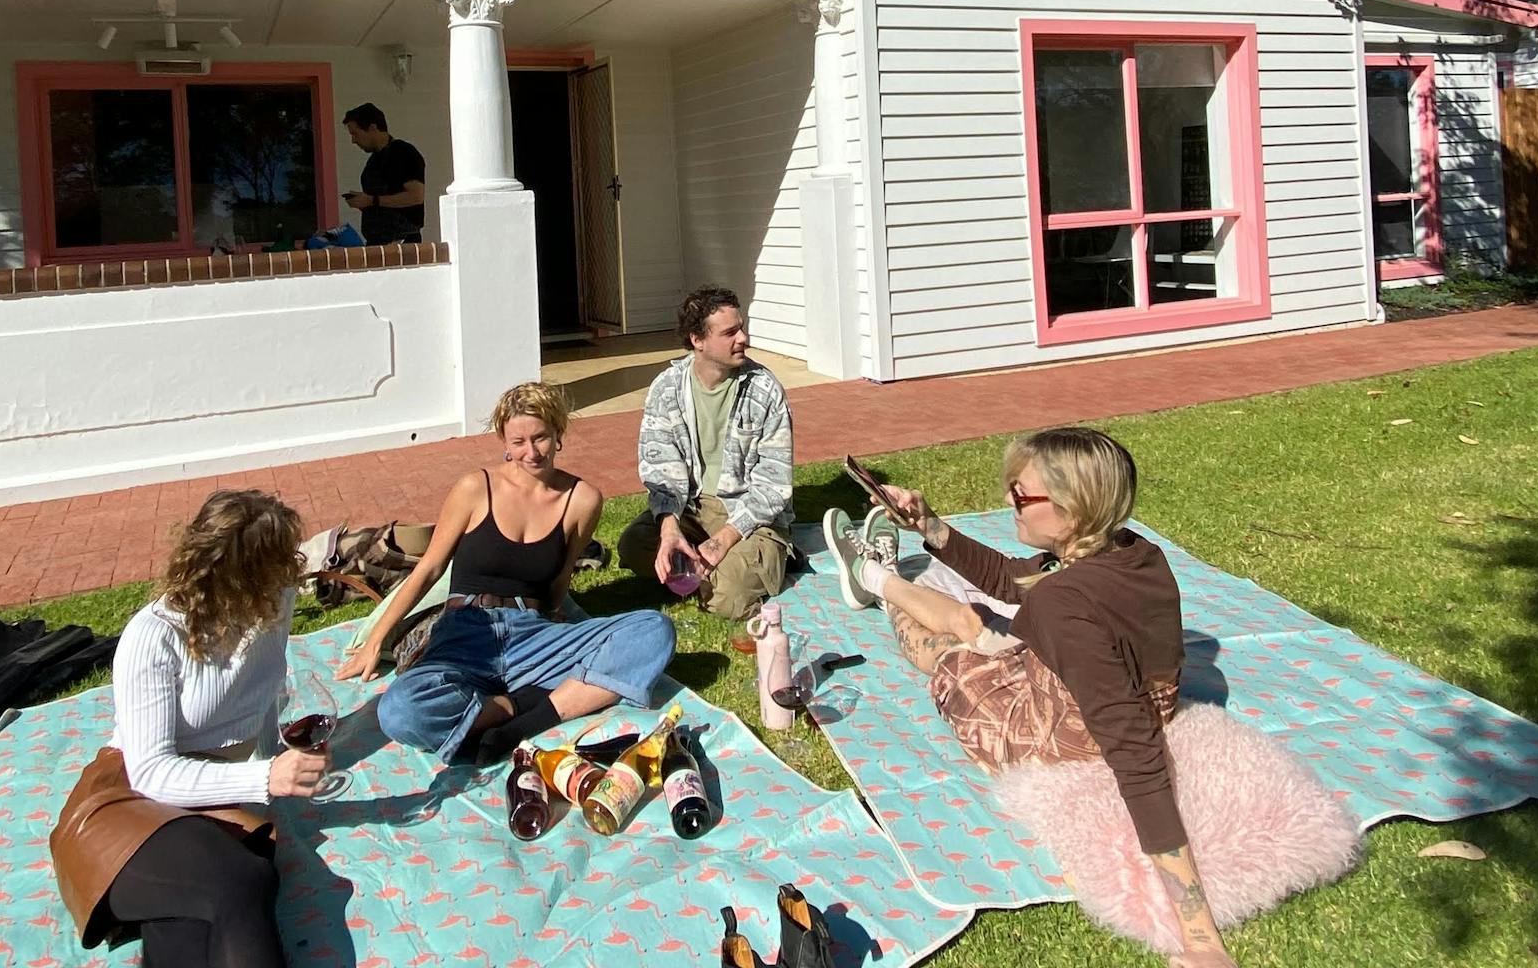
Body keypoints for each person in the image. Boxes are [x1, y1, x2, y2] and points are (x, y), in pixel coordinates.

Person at [823, 427, 1236, 968]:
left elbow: (1136, 755)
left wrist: (1200, 939)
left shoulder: (1065, 605)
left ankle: (878, 580)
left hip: (1052, 731)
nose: (1007, 501)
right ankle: (887, 578)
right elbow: (1017, 580)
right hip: (1096, 685)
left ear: (1072, 509)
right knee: (975, 617)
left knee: (944, 651)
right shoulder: (1135, 552)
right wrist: (931, 527)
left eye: (1021, 494)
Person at [49, 490, 327, 968]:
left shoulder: (273, 603)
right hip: (129, 800)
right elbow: (151, 773)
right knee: (240, 881)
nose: (292, 573)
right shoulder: (155, 635)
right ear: (236, 576)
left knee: (215, 898)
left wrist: (263, 783)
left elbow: (260, 697)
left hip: (209, 800)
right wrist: (264, 778)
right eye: (277, 564)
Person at [338, 381, 675, 765]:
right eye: (518, 442)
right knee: (398, 710)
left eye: (541, 438)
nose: (530, 452)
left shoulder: (582, 500)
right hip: (467, 631)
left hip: (532, 633)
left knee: (653, 630)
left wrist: (561, 627)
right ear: (503, 440)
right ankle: (513, 706)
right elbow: (429, 568)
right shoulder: (475, 488)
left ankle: (516, 723)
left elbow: (559, 579)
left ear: (558, 432)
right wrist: (374, 640)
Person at [617, 285, 796, 621]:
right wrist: (670, 529)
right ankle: (701, 570)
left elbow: (772, 487)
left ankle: (714, 571)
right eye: (730, 332)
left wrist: (720, 543)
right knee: (632, 545)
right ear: (697, 340)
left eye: (741, 328)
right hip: (691, 509)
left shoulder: (764, 390)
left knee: (731, 598)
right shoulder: (666, 388)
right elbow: (660, 471)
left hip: (747, 517)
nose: (743, 338)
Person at [341, 102, 427, 245]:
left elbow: (416, 196)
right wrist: (364, 203)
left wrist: (372, 200)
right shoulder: (372, 162)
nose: (353, 140)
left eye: (355, 134)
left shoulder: (404, 152)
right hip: (375, 241)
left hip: (401, 241)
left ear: (373, 128)